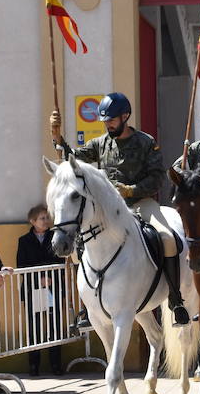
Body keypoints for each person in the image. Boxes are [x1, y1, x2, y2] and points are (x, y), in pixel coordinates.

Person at [50, 91, 190, 327]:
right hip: (109, 210)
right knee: (81, 245)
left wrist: (131, 190)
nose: (108, 124)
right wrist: (57, 137)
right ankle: (89, 306)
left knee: (167, 239)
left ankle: (175, 300)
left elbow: (157, 179)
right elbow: (72, 159)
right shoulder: (100, 143)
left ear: (125, 116)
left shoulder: (146, 142)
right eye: (105, 120)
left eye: (112, 120)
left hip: (140, 203)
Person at [16, 204, 65, 376]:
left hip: (53, 287)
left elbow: (60, 260)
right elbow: (21, 265)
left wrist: (50, 276)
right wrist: (39, 277)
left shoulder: (56, 237)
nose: (46, 221)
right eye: (42, 218)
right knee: (34, 328)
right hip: (33, 290)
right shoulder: (24, 240)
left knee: (55, 327)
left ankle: (56, 365)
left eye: (47, 217)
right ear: (33, 221)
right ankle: (34, 365)